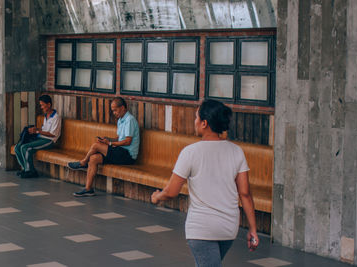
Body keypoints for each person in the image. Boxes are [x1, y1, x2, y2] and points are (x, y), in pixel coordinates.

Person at [151, 99, 259, 267]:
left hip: (201, 228)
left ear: (204, 123)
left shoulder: (190, 153)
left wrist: (157, 197)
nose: (194, 122)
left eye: (196, 117)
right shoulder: (236, 152)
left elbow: (171, 191)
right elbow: (244, 193)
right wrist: (253, 229)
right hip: (228, 228)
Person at [68, 97, 140, 197]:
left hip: (128, 156)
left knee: (96, 146)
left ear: (123, 107)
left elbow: (127, 142)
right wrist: (107, 139)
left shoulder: (130, 120)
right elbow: (119, 139)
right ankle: (88, 189)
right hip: (119, 152)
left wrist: (110, 144)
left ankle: (83, 162)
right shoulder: (120, 120)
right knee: (93, 158)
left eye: (115, 110)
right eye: (112, 110)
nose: (114, 113)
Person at [14, 95, 62, 178]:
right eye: (41, 105)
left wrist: (38, 131)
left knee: (26, 148)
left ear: (49, 104)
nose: (41, 107)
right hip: (40, 138)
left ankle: (30, 171)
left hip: (48, 141)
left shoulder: (56, 117)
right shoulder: (46, 116)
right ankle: (25, 169)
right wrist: (36, 129)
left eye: (43, 105)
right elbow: (44, 129)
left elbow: (53, 134)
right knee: (17, 147)